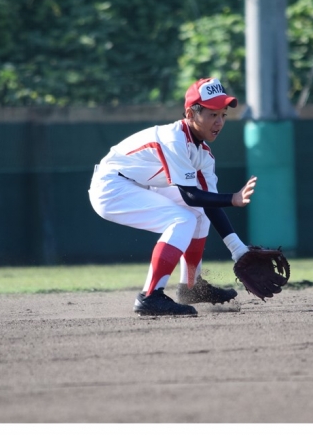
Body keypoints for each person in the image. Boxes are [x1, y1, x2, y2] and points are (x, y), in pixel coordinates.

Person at [89, 77, 257, 317]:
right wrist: (233, 199)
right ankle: (150, 297)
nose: (219, 122)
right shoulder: (174, 139)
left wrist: (238, 249)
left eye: (223, 115)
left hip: (137, 184)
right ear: (190, 114)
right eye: (212, 114)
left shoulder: (203, 155)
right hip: (111, 187)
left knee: (198, 213)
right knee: (182, 219)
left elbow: (206, 203)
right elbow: (190, 195)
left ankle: (191, 287)